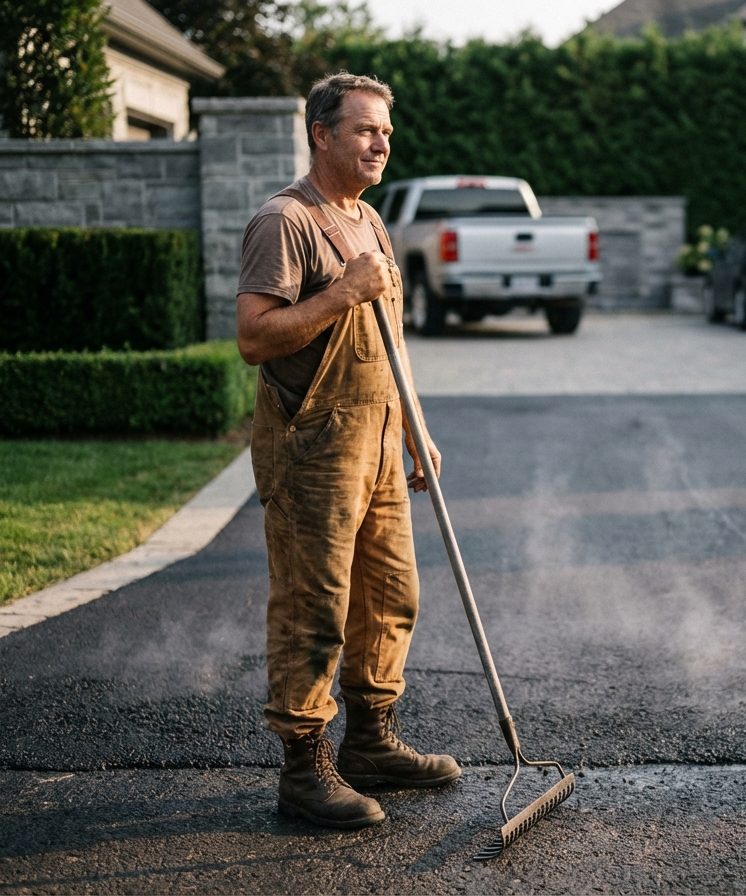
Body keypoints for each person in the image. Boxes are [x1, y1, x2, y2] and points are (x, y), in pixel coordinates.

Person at [236, 72, 460, 830]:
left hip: (379, 440)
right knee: (315, 606)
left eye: (386, 132)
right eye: (365, 129)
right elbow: (253, 337)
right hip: (314, 448)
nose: (381, 142)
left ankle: (371, 742)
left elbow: (389, 342)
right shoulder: (285, 221)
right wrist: (340, 293)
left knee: (391, 596)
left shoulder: (369, 221)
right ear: (321, 134)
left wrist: (417, 428)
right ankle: (304, 768)